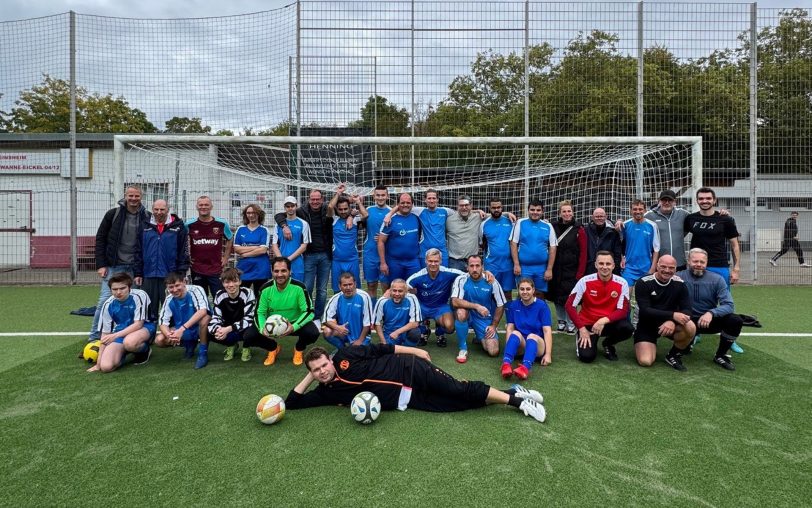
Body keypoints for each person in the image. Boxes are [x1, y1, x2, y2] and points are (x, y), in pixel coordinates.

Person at [285, 345, 547, 423]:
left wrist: (416, 352)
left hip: (410, 370)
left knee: (458, 389)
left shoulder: (346, 355)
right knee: (455, 405)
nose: (321, 372)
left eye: (323, 366)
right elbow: (292, 403)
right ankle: (512, 392)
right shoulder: (326, 392)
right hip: (407, 400)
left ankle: (518, 402)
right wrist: (310, 374)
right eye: (316, 370)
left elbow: (382, 348)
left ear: (331, 361)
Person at [88, 185, 151, 348]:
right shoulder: (113, 214)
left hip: (134, 268)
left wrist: (141, 269)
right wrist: (101, 264)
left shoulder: (147, 216)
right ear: (125, 196)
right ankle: (95, 337)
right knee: (104, 302)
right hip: (114, 266)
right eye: (131, 195)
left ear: (141, 197)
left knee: (134, 302)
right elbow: (100, 238)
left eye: (137, 196)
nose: (133, 199)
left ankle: (133, 335)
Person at [684, 186, 744, 353]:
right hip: (697, 264)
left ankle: (728, 336)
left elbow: (734, 244)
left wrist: (737, 267)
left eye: (708, 198)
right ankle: (694, 332)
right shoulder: (690, 219)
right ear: (697, 201)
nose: (705, 201)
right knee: (693, 297)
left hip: (719, 265)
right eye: (701, 198)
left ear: (714, 200)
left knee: (724, 300)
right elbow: (676, 235)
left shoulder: (725, 219)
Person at [677, 249, 743, 371]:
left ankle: (721, 355)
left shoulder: (717, 279)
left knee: (735, 320)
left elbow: (728, 305)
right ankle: (681, 348)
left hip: (706, 321)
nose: (699, 264)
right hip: (685, 321)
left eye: (702, 262)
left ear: (707, 263)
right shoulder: (678, 277)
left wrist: (711, 313)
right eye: (695, 261)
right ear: (688, 261)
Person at [566, 251, 634, 363]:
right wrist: (581, 328)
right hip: (588, 324)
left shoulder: (622, 283)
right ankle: (584, 337)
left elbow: (623, 310)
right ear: (596, 265)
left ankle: (608, 343)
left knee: (627, 329)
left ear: (613, 265)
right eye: (601, 263)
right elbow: (569, 305)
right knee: (587, 357)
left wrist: (603, 321)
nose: (604, 267)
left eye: (608, 264)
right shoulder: (584, 281)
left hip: (607, 323)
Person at [275, 189, 333, 320]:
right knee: (307, 287)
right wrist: (284, 226)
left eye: (318, 199)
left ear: (322, 199)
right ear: (308, 199)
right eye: (313, 199)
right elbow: (279, 215)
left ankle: (318, 317)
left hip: (325, 255)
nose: (315, 201)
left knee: (322, 290)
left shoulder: (326, 210)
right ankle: (307, 314)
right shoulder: (301, 211)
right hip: (309, 256)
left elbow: (332, 208)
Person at [633, 255, 696, 371]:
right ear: (657, 266)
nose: (667, 270)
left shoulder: (680, 284)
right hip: (646, 325)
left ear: (676, 269)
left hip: (668, 325)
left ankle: (673, 355)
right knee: (646, 361)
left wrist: (671, 321)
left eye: (671, 268)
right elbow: (645, 310)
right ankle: (648, 343)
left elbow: (687, 310)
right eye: (663, 266)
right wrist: (672, 316)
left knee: (690, 326)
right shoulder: (643, 282)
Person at [255, 256, 320, 366]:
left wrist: (294, 327)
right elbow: (259, 313)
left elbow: (309, 311)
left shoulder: (299, 287)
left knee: (313, 333)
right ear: (272, 272)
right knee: (249, 335)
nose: (280, 274)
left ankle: (299, 348)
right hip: (271, 325)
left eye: (283, 270)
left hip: (294, 323)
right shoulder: (265, 289)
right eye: (276, 271)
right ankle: (273, 348)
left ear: (290, 271)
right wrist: (262, 329)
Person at [87, 272, 155, 373]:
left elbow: (138, 324)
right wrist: (98, 363)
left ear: (129, 287)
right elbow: (105, 334)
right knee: (106, 367)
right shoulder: (108, 305)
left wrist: (114, 336)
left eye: (122, 288)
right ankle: (124, 350)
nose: (118, 292)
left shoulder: (140, 295)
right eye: (114, 289)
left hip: (144, 328)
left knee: (130, 342)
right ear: (110, 290)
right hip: (121, 333)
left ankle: (144, 350)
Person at [135, 199, 189, 322]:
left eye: (162, 209)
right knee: (149, 309)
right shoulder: (144, 225)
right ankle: (149, 334)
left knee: (172, 307)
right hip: (149, 274)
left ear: (168, 210)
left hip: (170, 275)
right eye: (156, 209)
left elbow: (183, 252)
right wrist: (138, 272)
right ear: (152, 210)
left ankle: (172, 335)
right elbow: (138, 250)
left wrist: (181, 273)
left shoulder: (179, 227)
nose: (159, 212)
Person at [450, 254, 506, 363]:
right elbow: (455, 301)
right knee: (461, 312)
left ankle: (479, 336)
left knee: (493, 351)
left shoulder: (491, 281)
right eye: (471, 266)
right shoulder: (461, 279)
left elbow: (501, 304)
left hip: (483, 318)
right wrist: (476, 306)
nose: (474, 269)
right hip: (468, 314)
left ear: (482, 267)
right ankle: (463, 349)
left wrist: (494, 325)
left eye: (477, 266)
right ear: (467, 267)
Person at [406, 248, 465, 348]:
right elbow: (403, 288)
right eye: (430, 261)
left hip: (440, 307)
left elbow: (468, 275)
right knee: (407, 321)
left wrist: (485, 274)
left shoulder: (448, 273)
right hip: (422, 307)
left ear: (441, 261)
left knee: (450, 327)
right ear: (425, 261)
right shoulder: (418, 276)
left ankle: (440, 331)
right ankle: (424, 329)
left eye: (436, 261)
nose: (433, 264)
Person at [154, 272, 211, 369]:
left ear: (184, 282)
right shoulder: (169, 299)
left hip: (199, 328)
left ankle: (203, 353)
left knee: (205, 319)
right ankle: (189, 345)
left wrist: (181, 330)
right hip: (183, 329)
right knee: (159, 340)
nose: (174, 290)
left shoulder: (196, 290)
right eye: (171, 287)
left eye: (177, 285)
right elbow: (163, 323)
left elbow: (203, 311)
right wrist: (170, 335)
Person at [500, 278, 553, 380]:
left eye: (528, 289)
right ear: (518, 290)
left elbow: (547, 331)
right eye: (522, 289)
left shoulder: (542, 306)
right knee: (515, 332)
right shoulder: (514, 305)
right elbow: (510, 328)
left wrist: (548, 354)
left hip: (537, 345)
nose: (525, 292)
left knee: (531, 336)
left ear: (533, 290)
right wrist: (508, 350)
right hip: (522, 344)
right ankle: (506, 365)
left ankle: (525, 368)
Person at [547, 200, 587, 334]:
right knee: (557, 297)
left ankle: (571, 322)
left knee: (570, 298)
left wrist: (580, 273)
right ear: (559, 213)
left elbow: (583, 253)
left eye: (569, 211)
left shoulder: (579, 229)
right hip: (556, 268)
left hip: (572, 269)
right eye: (564, 211)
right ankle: (561, 321)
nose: (567, 213)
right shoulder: (552, 227)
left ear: (573, 212)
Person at [186, 195, 233, 297]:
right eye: (201, 205)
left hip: (216, 268)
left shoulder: (221, 223)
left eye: (206, 205)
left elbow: (230, 238)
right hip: (197, 268)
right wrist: (186, 257)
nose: (203, 207)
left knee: (219, 297)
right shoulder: (189, 224)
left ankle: (218, 313)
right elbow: (180, 240)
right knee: (200, 298)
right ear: (197, 207)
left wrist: (225, 258)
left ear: (211, 207)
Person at [208, 267, 258, 363]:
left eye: (234, 281)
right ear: (223, 284)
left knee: (251, 332)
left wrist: (228, 329)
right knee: (209, 331)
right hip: (228, 328)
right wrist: (217, 330)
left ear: (240, 281)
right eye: (227, 282)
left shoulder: (248, 293)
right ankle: (231, 345)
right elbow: (216, 317)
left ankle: (246, 347)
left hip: (244, 328)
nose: (231, 285)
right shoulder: (219, 294)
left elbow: (248, 319)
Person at [510, 199, 557, 298]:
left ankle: (538, 314)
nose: (535, 212)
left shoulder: (548, 226)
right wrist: (516, 264)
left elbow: (553, 248)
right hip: (524, 268)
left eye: (538, 210)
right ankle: (522, 314)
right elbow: (513, 243)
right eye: (532, 209)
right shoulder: (520, 223)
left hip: (541, 268)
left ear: (542, 211)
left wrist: (549, 269)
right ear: (528, 210)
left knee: (539, 295)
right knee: (523, 294)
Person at [326, 184, 368, 293]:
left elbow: (366, 215)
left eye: (345, 209)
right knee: (337, 289)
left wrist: (358, 202)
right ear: (337, 209)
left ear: (349, 208)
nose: (343, 211)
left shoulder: (354, 220)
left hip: (352, 260)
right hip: (337, 260)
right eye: (340, 209)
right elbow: (330, 206)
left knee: (355, 288)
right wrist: (339, 193)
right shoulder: (333, 220)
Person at [322, 272, 374, 349]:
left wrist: (359, 341)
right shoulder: (335, 299)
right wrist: (338, 327)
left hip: (361, 336)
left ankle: (359, 346)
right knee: (327, 331)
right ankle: (342, 349)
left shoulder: (364, 297)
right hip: (344, 333)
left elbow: (367, 323)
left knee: (358, 357)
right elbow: (326, 320)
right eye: (345, 285)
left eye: (350, 284)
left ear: (355, 284)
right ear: (340, 286)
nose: (348, 288)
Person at [377, 193, 422, 282]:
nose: (405, 205)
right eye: (402, 202)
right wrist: (383, 263)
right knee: (395, 290)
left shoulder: (417, 218)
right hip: (395, 262)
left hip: (413, 262)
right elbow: (381, 241)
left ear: (412, 204)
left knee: (413, 288)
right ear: (398, 204)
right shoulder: (389, 220)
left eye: (408, 203)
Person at [644, 190, 690, 271]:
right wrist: (620, 221)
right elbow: (634, 221)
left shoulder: (683, 214)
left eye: (670, 200)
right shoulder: (649, 215)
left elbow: (698, 218)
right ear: (659, 201)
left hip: (679, 263)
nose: (667, 202)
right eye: (664, 200)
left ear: (675, 202)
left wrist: (719, 213)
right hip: (659, 264)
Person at [232, 203, 272, 297]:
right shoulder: (240, 229)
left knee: (260, 296)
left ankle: (259, 312)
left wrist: (245, 254)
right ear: (245, 214)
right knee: (242, 296)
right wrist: (256, 247)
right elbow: (237, 248)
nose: (251, 215)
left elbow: (263, 250)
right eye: (248, 213)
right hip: (244, 268)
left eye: (254, 212)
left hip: (260, 269)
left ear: (259, 214)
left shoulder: (264, 230)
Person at [481, 197, 516, 300]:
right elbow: (481, 244)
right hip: (491, 265)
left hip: (508, 265)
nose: (496, 210)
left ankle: (509, 316)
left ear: (502, 208)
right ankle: (491, 316)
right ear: (489, 208)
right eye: (493, 207)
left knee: (507, 294)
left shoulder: (511, 222)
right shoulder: (484, 224)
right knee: (491, 293)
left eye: (498, 207)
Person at [360, 185, 391, 303]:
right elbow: (359, 224)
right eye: (378, 195)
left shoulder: (391, 212)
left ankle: (383, 315)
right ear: (374, 196)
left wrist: (386, 238)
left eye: (383, 195)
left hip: (385, 256)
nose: (380, 197)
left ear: (387, 196)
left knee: (386, 287)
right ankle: (372, 315)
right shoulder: (368, 210)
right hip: (370, 253)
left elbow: (395, 233)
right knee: (371, 286)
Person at [620, 199, 660, 289]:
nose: (638, 211)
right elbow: (619, 244)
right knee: (626, 297)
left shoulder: (652, 226)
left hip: (646, 268)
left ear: (645, 210)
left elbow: (656, 249)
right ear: (630, 211)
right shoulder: (625, 225)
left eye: (640, 209)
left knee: (644, 298)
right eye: (635, 209)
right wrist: (621, 258)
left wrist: (653, 268)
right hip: (629, 268)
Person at [372, 278, 423, 346]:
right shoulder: (382, 301)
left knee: (415, 332)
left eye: (400, 291)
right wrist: (383, 342)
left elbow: (415, 323)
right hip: (390, 334)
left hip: (404, 332)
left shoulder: (412, 298)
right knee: (388, 352)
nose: (397, 294)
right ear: (390, 291)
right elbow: (376, 323)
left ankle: (407, 347)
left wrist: (397, 332)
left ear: (405, 291)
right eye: (394, 290)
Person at [272, 196, 311, 283]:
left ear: (296, 206)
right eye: (288, 206)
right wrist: (281, 260)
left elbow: (304, 246)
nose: (290, 208)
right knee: (281, 290)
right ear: (284, 208)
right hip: (281, 264)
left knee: (297, 290)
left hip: (297, 264)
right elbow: (274, 244)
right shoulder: (278, 225)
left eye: (292, 206)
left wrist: (288, 259)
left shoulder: (304, 224)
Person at [446, 195, 482, 272]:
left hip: (473, 262)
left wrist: (508, 214)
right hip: (455, 262)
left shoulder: (478, 217)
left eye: (466, 205)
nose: (464, 207)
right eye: (461, 205)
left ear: (471, 206)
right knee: (455, 284)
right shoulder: (448, 220)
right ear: (457, 206)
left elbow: (494, 215)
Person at [584, 207, 622, 276]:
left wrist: (615, 271)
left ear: (606, 217)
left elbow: (617, 254)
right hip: (589, 270)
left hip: (607, 270)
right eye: (597, 216)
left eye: (601, 216)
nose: (599, 218)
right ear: (592, 217)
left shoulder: (613, 232)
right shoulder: (585, 231)